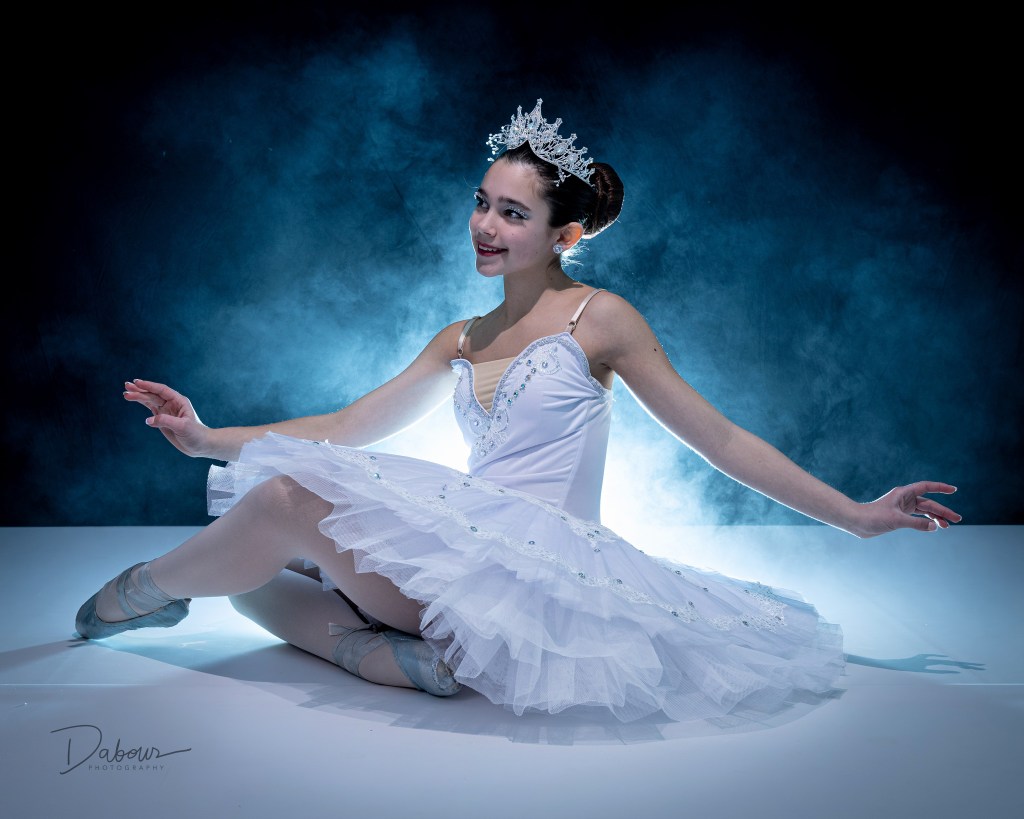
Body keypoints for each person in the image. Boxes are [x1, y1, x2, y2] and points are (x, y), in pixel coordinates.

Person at [75, 99, 960, 724]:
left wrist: (852, 515)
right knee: (258, 574)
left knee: (274, 506)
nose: (485, 227)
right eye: (480, 202)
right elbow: (349, 425)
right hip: (456, 553)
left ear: (564, 233)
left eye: (512, 212)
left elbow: (718, 437)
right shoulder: (460, 335)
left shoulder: (599, 318)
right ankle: (382, 657)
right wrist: (202, 438)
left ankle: (133, 595)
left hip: (534, 572)